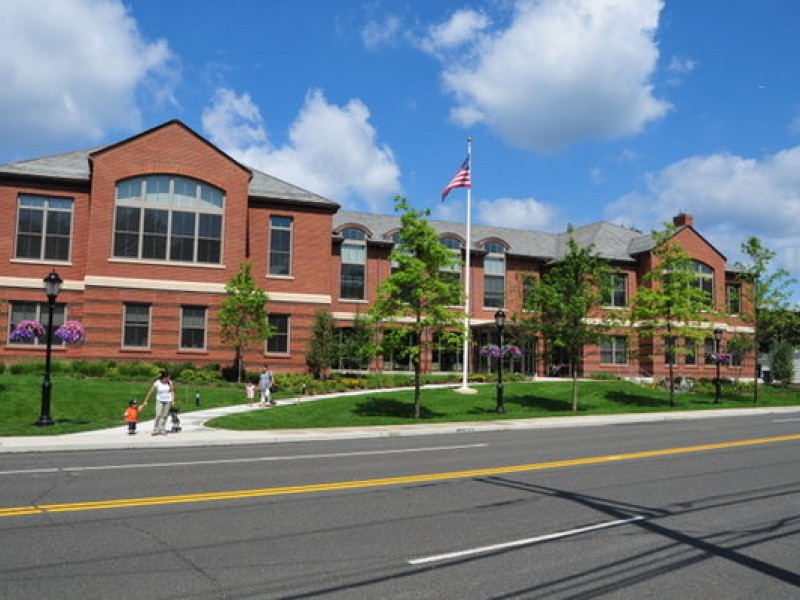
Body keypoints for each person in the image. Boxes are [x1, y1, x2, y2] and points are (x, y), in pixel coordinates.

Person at [144, 371, 174, 435]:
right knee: (158, 414)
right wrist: (146, 401)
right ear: (163, 378)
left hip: (168, 400)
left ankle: (162, 429)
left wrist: (173, 400)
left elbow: (172, 391)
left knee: (165, 415)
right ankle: (156, 429)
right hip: (159, 400)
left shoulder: (169, 382)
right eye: (167, 377)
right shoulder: (157, 383)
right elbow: (150, 392)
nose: (168, 378)